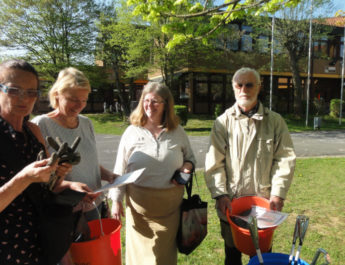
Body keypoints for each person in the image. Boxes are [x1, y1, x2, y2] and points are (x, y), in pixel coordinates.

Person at [204, 67, 296, 265]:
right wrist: (220, 194)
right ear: (233, 88)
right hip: (231, 202)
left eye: (249, 84)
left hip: (264, 203)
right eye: (239, 85)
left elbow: (285, 159)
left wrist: (278, 193)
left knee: (262, 257)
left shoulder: (275, 122)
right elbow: (214, 162)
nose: (244, 89)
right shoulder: (222, 123)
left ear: (259, 87)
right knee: (232, 255)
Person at [0, 59, 83, 265]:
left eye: (31, 92)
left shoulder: (33, 131)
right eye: (13, 90)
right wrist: (24, 178)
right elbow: (26, 181)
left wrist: (63, 178)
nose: (23, 98)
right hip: (7, 248)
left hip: (41, 243)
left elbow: (47, 187)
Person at [109, 82, 196, 265]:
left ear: (166, 104)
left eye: (155, 101)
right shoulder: (131, 132)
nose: (149, 105)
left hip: (170, 211)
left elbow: (190, 158)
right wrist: (116, 200)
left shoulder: (177, 131)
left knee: (163, 259)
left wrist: (186, 168)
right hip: (139, 213)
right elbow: (120, 168)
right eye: (146, 101)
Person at [32, 67, 117, 222]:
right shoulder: (40, 125)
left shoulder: (86, 123)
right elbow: (38, 177)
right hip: (66, 211)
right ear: (57, 94)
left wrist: (109, 175)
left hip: (95, 204)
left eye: (84, 100)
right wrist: (70, 185)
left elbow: (88, 162)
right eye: (73, 99)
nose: (79, 106)